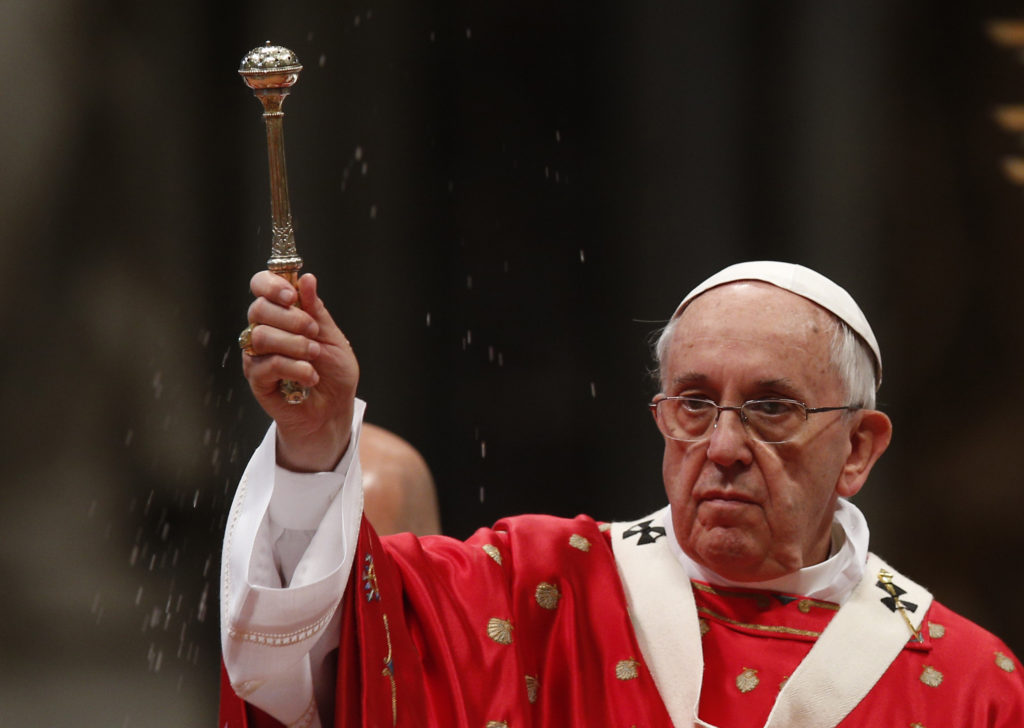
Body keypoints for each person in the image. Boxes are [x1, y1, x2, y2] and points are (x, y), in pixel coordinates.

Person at [220, 261, 1024, 727]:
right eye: (694, 404)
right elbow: (324, 661)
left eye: (772, 408)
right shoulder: (541, 590)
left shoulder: (967, 685)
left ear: (858, 448)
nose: (723, 448)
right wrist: (317, 443)